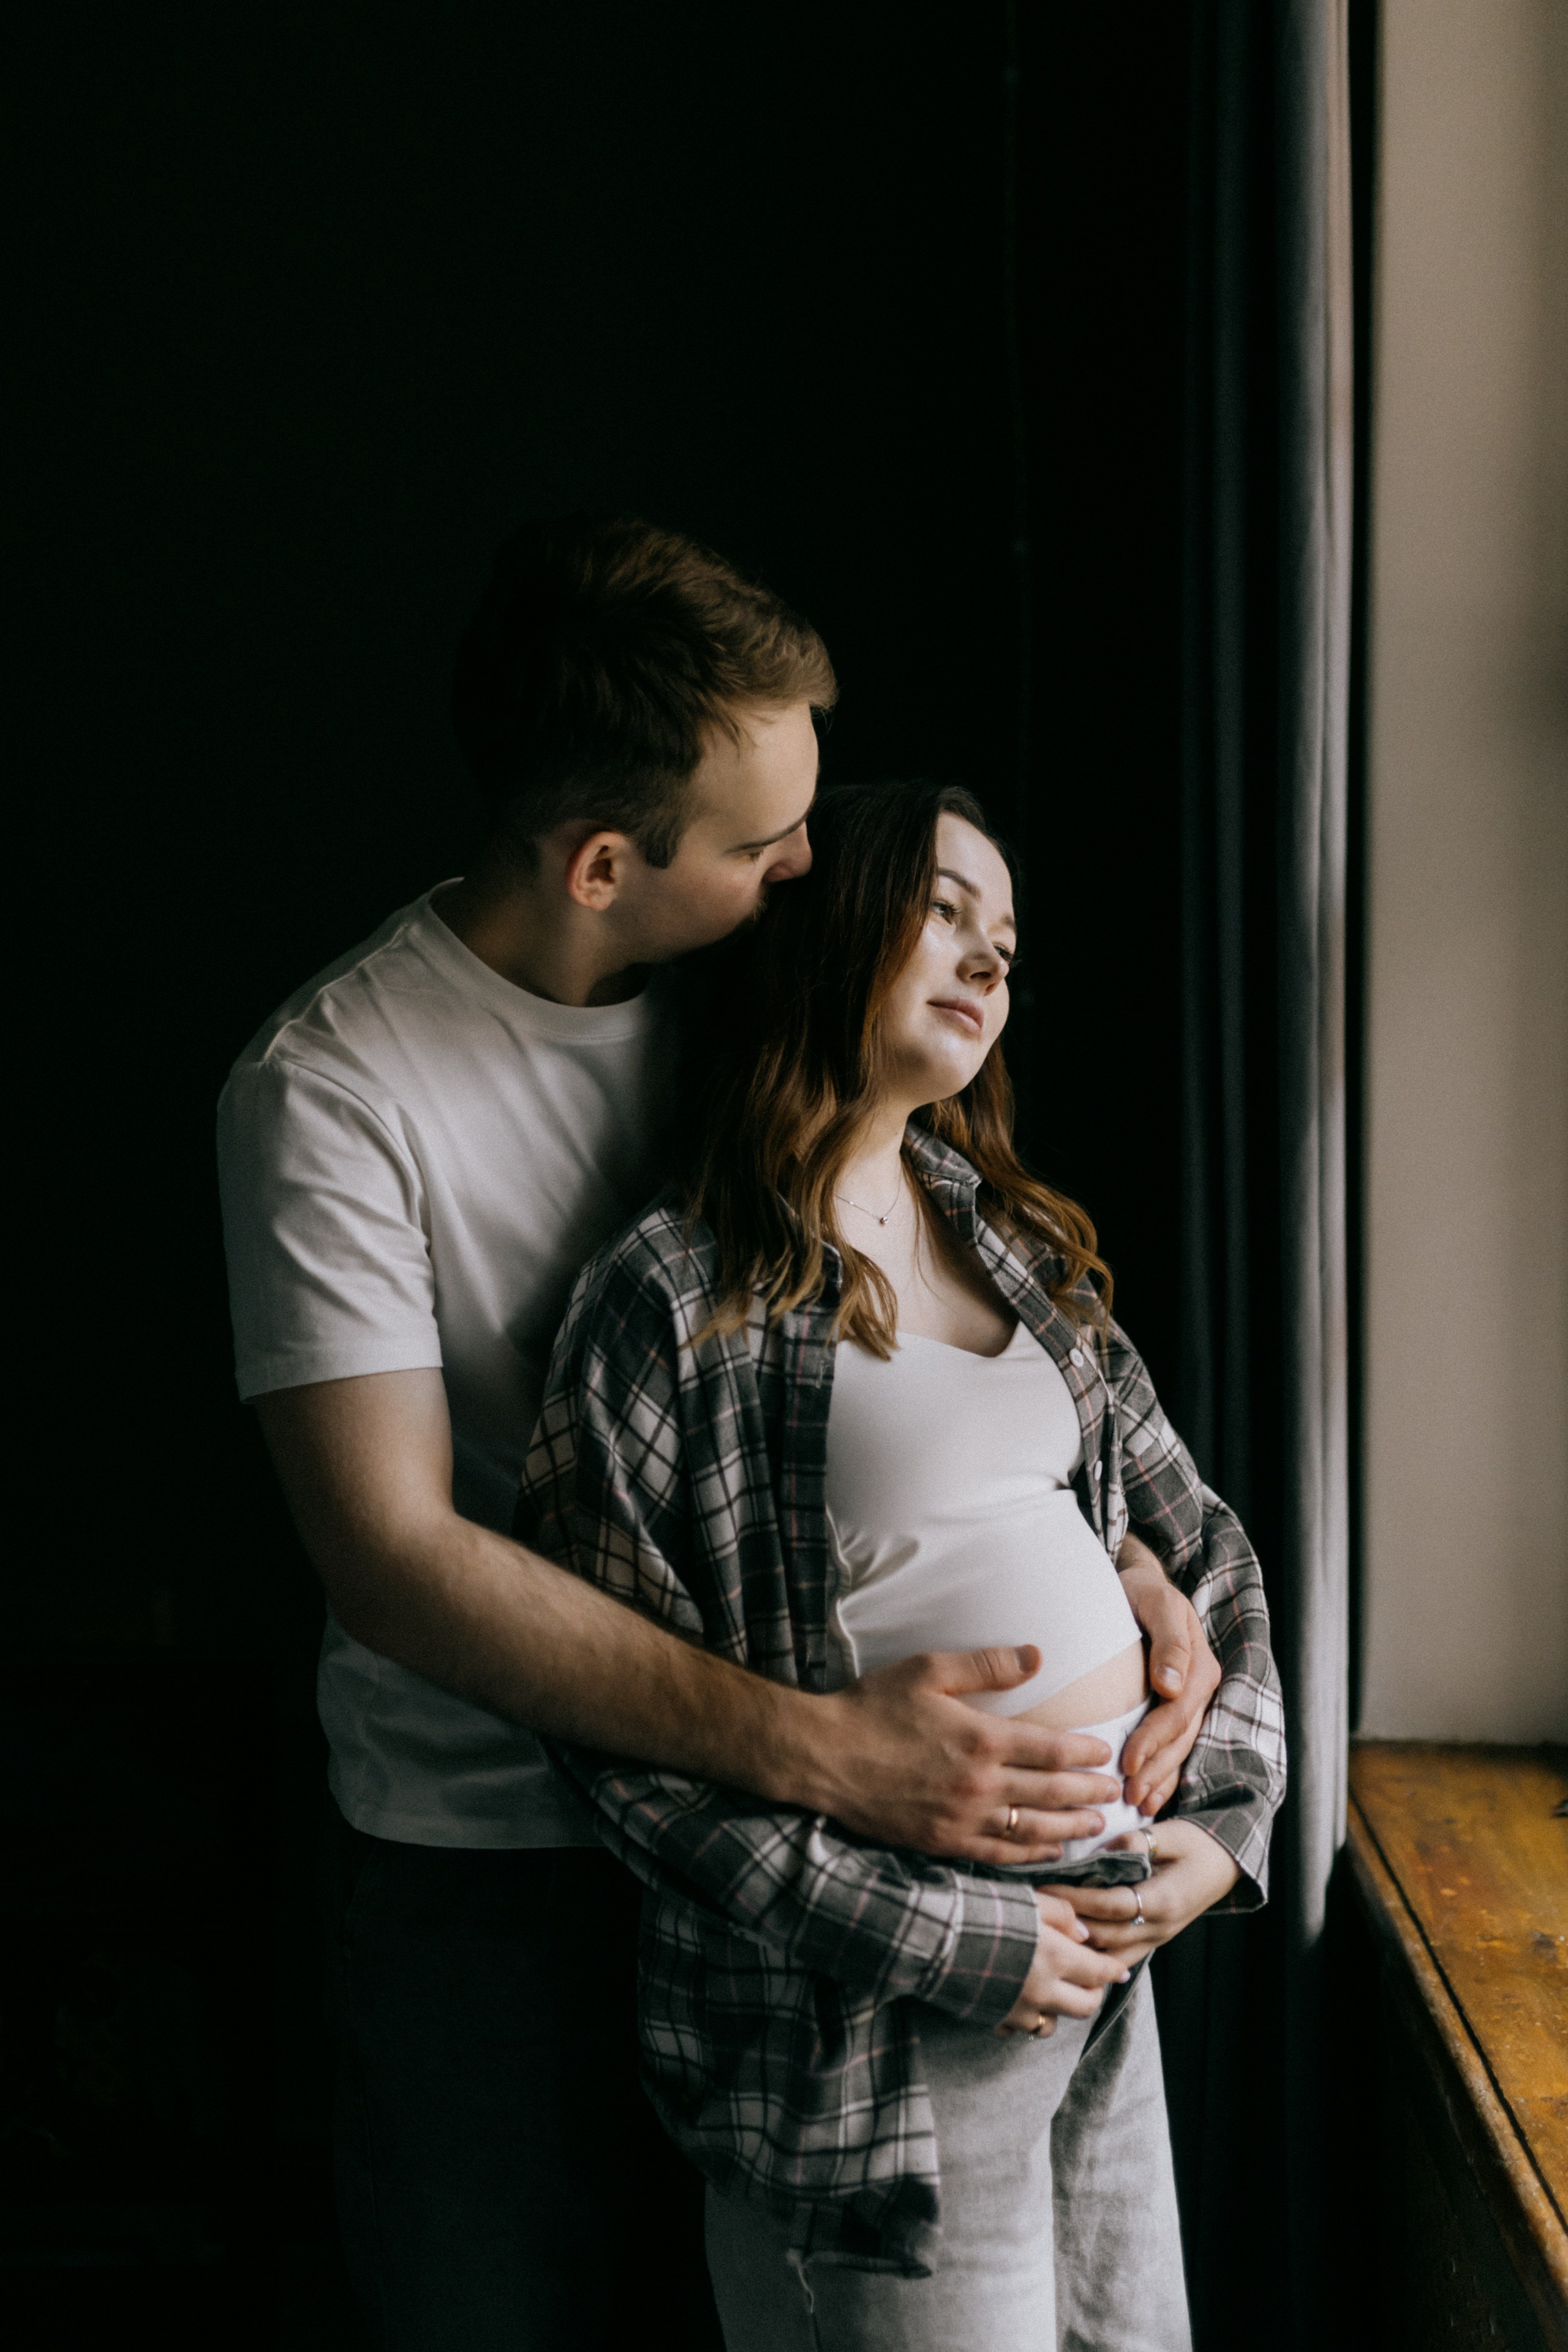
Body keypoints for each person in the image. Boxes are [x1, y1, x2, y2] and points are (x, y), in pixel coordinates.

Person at [217, 519, 1224, 2350]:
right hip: (500, 1871)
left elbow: (951, 1360)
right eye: (771, 848)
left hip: (834, 1895)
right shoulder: (335, 1091)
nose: (811, 873)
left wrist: (1118, 1552)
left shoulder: (751, 1002)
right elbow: (395, 1558)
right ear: (607, 862)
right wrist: (830, 1761)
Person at [519, 779, 1287, 2351]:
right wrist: (957, 1937)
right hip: (877, 2031)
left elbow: (1198, 1544)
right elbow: (615, 1741)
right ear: (824, 921)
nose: (987, 961)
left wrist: (1218, 1837)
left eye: (1003, 938)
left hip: (1105, 1973)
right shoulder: (671, 1298)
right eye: (943, 910)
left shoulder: (1013, 1244)